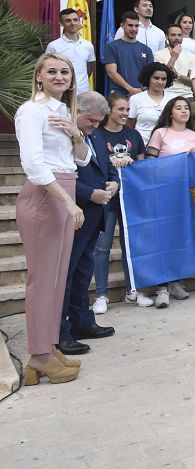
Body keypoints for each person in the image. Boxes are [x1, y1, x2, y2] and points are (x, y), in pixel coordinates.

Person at [15, 53, 88, 385]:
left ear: (72, 80)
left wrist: (76, 134)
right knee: (42, 280)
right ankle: (39, 356)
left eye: (65, 72)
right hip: (47, 194)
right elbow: (33, 163)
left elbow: (84, 160)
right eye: (53, 71)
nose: (60, 76)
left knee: (57, 279)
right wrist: (68, 204)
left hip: (67, 186)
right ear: (39, 77)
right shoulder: (31, 111)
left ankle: (47, 348)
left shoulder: (63, 113)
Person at [59, 92, 118, 356]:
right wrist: (88, 193)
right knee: (66, 275)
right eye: (91, 120)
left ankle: (82, 322)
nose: (95, 125)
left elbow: (107, 166)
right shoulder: (64, 136)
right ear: (77, 111)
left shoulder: (95, 135)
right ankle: (60, 332)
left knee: (84, 272)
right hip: (75, 213)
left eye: (98, 121)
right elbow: (61, 175)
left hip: (96, 215)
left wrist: (114, 182)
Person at [91, 92, 152, 312]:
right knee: (102, 247)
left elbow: (142, 167)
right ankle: (101, 295)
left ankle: (133, 291)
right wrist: (110, 161)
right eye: (121, 109)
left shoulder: (134, 135)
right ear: (109, 110)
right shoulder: (96, 134)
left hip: (130, 200)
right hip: (106, 199)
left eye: (127, 109)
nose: (126, 113)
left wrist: (131, 162)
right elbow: (91, 164)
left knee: (130, 247)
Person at [145, 97, 195, 307]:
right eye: (179, 108)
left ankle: (176, 281)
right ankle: (162, 287)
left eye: (186, 108)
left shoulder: (194, 136)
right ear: (170, 113)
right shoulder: (160, 133)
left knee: (181, 237)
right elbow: (150, 162)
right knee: (164, 237)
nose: (184, 111)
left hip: (186, 192)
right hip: (164, 191)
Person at [103, 11, 154, 95]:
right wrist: (130, 89)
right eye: (130, 25)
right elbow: (111, 72)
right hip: (118, 94)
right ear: (122, 26)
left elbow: (150, 74)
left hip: (141, 94)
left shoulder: (146, 50)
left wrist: (140, 90)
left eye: (136, 26)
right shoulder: (111, 47)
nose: (134, 29)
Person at [46, 8, 95, 94]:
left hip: (84, 92)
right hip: (63, 93)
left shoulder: (88, 45)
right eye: (68, 21)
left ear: (79, 21)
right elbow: (47, 68)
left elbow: (90, 67)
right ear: (61, 23)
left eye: (75, 20)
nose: (73, 23)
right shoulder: (53, 46)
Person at [127, 62, 174, 144]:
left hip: (168, 146)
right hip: (142, 146)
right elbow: (129, 126)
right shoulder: (135, 99)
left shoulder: (173, 98)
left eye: (163, 79)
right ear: (148, 78)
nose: (160, 82)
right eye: (156, 78)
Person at [155, 24, 195, 100]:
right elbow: (161, 77)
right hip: (165, 95)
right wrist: (173, 57)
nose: (177, 38)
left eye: (179, 35)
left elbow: (193, 82)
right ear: (167, 37)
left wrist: (178, 75)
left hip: (186, 96)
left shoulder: (191, 56)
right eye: (173, 35)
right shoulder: (158, 54)